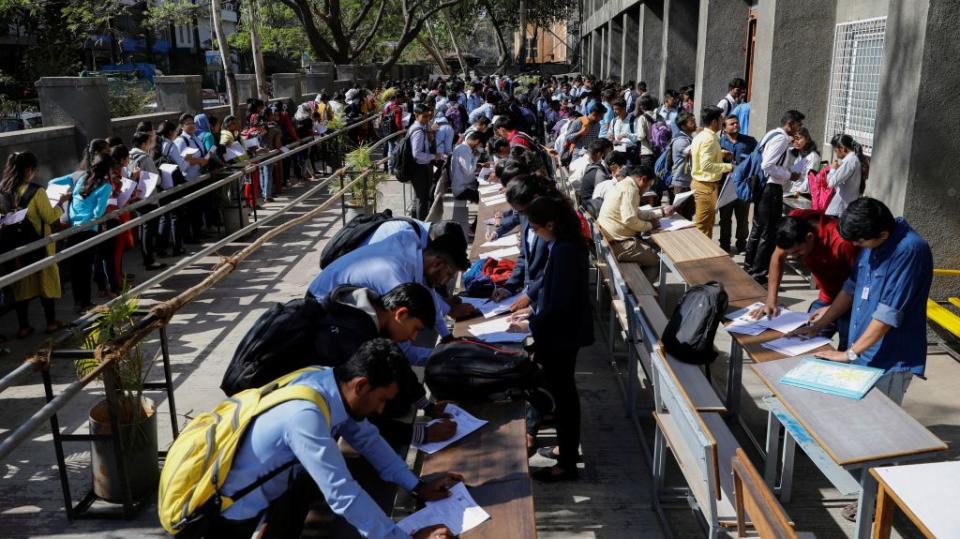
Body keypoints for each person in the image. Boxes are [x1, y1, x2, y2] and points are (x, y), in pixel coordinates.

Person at [213, 339, 458, 539]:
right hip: (234, 514)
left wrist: (417, 486)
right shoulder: (306, 415)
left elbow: (369, 441)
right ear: (361, 385)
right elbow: (342, 491)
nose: (381, 410)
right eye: (382, 399)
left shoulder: (328, 381)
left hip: (273, 496)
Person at [788, 198, 932, 523]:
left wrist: (849, 353)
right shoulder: (871, 243)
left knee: (883, 434)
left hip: (890, 357)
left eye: (859, 242)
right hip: (863, 351)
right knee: (862, 429)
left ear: (881, 232)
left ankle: (879, 500)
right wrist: (819, 324)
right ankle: (867, 490)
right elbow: (851, 289)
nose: (854, 247)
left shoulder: (910, 250)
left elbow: (888, 314)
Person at [506, 196, 594, 481]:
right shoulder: (564, 245)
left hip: (562, 335)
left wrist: (530, 323)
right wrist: (532, 308)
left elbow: (560, 303)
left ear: (551, 224)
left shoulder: (566, 250)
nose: (534, 233)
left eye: (535, 227)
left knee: (563, 397)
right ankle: (566, 449)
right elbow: (551, 291)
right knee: (563, 395)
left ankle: (566, 463)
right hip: (560, 330)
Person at [307, 227, 469, 364]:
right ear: (437, 263)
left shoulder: (414, 250)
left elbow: (428, 292)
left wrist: (447, 337)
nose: (446, 282)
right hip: (322, 309)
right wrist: (442, 357)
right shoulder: (394, 275)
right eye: (449, 275)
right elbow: (401, 349)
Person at [751, 211, 859, 350]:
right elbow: (778, 257)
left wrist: (831, 311)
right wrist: (771, 301)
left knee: (847, 348)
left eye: (797, 252)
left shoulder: (842, 242)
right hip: (827, 296)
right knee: (803, 341)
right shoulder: (793, 223)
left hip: (852, 301)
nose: (793, 257)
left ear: (809, 237)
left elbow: (857, 284)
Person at [0, 152, 70, 337]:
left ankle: (23, 327)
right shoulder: (37, 191)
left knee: (22, 286)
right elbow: (49, 217)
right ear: (29, 169)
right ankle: (51, 323)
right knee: (46, 284)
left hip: (17, 249)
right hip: (40, 245)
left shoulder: (3, 191)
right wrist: (60, 204)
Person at [744, 110, 806, 283]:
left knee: (758, 229)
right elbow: (767, 164)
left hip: (764, 187)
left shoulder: (773, 133)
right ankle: (757, 274)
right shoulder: (780, 138)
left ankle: (749, 267)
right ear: (790, 124)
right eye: (798, 125)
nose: (799, 129)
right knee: (768, 233)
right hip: (770, 189)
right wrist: (789, 175)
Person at [597, 164, 675, 281]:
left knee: (649, 249)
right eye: (648, 185)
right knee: (657, 260)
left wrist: (661, 212)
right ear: (642, 179)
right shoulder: (631, 190)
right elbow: (629, 220)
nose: (647, 189)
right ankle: (642, 293)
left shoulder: (624, 184)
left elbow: (636, 212)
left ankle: (639, 286)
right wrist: (650, 225)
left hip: (609, 240)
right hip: (618, 244)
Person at [68, 154, 114, 312]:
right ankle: (85, 302)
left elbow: (74, 199)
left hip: (73, 228)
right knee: (86, 268)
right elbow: (98, 212)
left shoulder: (82, 178)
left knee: (76, 268)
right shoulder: (106, 186)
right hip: (89, 229)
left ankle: (76, 301)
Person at [689, 105, 734, 238]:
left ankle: (705, 256)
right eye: (721, 118)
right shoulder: (708, 139)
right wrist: (729, 167)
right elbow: (706, 165)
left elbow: (701, 154)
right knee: (703, 227)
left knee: (708, 224)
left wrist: (720, 154)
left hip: (706, 185)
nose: (723, 121)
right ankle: (700, 256)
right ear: (714, 122)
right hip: (705, 186)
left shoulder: (703, 135)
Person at [718, 114, 757, 253]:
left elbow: (757, 159)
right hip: (725, 186)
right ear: (724, 127)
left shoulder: (750, 142)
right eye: (731, 124)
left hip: (743, 186)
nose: (735, 125)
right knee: (725, 218)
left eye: (736, 123)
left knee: (742, 218)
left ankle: (741, 244)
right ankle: (724, 244)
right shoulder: (719, 143)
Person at [130, 130, 167, 271]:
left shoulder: (130, 156)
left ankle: (146, 257)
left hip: (136, 197)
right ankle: (149, 260)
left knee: (142, 227)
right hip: (148, 196)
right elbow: (156, 178)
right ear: (144, 143)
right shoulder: (145, 158)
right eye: (150, 141)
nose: (152, 144)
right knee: (148, 230)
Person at [407, 104, 439, 220]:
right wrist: (433, 156)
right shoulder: (418, 131)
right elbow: (417, 154)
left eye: (429, 116)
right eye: (424, 116)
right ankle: (421, 225)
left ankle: (416, 222)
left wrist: (430, 139)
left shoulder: (421, 128)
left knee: (418, 198)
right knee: (422, 199)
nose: (427, 119)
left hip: (419, 168)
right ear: (416, 115)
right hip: (419, 169)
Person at [825, 133, 865, 218]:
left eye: (835, 150)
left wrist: (832, 169)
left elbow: (831, 183)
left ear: (842, 148)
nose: (836, 154)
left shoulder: (850, 161)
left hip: (838, 209)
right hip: (845, 208)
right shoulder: (854, 160)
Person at [669, 111, 696, 203]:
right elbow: (694, 153)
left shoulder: (689, 139)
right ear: (683, 126)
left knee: (687, 215)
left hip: (687, 182)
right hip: (680, 184)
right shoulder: (681, 141)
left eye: (694, 121)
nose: (694, 124)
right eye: (691, 122)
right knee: (678, 214)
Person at [787, 127, 822, 195]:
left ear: (807, 139)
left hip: (804, 194)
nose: (796, 141)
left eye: (798, 138)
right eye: (794, 139)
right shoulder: (799, 154)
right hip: (793, 191)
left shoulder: (813, 156)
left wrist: (799, 191)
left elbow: (809, 179)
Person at [450, 131, 483, 202]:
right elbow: (468, 171)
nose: (479, 147)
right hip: (462, 189)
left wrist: (477, 165)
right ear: (477, 141)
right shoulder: (464, 150)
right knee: (485, 198)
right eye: (480, 145)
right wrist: (476, 157)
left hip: (465, 186)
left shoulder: (464, 148)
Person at [634, 94, 660, 168]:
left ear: (641, 107)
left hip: (647, 151)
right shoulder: (658, 116)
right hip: (658, 152)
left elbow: (641, 136)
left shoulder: (642, 118)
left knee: (647, 176)